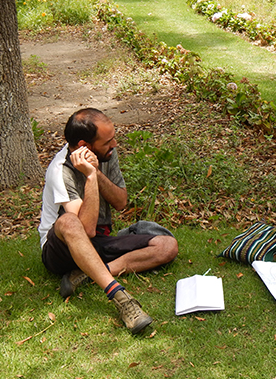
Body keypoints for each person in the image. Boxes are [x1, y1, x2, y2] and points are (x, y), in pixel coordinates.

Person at [38, 108, 179, 334]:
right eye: (107, 141)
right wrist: (90, 176)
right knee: (68, 221)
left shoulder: (106, 154)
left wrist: (96, 172)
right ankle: (122, 299)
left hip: (96, 242)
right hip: (61, 251)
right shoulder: (60, 170)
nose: (114, 144)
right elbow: (86, 229)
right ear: (84, 145)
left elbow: (120, 201)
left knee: (167, 245)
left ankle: (90, 272)